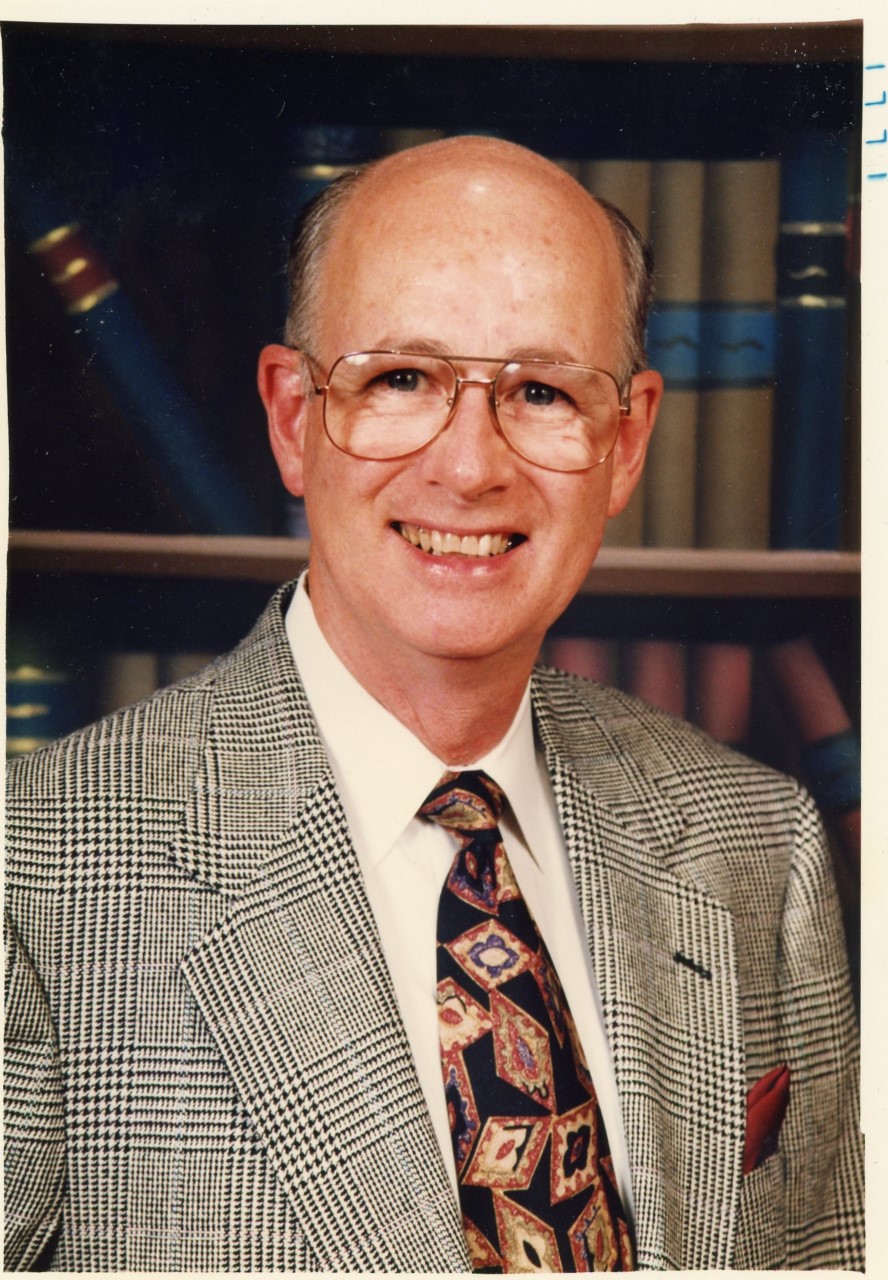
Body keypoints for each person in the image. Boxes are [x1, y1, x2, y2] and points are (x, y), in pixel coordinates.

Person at [5, 136, 863, 1272]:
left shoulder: (758, 843)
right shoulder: (34, 869)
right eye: (400, 379)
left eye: (543, 391)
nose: (469, 468)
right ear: (292, 416)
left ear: (625, 443)